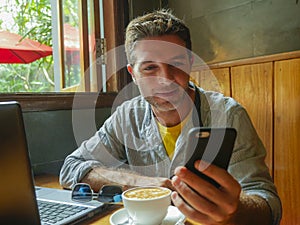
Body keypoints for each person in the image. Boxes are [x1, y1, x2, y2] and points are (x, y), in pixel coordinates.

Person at [60, 9, 282, 225]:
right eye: (149, 68)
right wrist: (139, 184)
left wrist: (235, 213)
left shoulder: (228, 114)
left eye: (176, 64)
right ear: (133, 74)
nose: (166, 79)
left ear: (190, 63)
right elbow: (71, 168)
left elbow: (268, 206)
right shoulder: (126, 116)